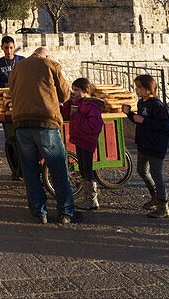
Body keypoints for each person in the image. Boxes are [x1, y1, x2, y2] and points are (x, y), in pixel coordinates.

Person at [8, 46, 74, 224]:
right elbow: (65, 95)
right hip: (46, 122)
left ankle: (39, 212)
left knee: (30, 170)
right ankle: (66, 212)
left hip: (21, 123)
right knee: (58, 169)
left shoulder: (17, 67)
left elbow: (11, 92)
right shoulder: (51, 64)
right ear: (47, 55)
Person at [123, 74, 169, 218]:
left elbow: (164, 126)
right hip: (143, 143)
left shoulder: (157, 105)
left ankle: (164, 206)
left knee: (157, 174)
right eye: (136, 87)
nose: (136, 90)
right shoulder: (141, 103)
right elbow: (139, 120)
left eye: (139, 87)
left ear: (148, 88)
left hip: (155, 145)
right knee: (141, 171)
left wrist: (143, 120)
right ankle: (154, 197)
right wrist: (129, 114)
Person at [61, 77, 105, 211]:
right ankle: (88, 198)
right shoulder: (79, 103)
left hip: (87, 141)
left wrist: (76, 116)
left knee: (87, 169)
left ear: (86, 90)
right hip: (79, 139)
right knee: (83, 169)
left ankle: (92, 199)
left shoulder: (92, 106)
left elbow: (93, 126)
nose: (74, 93)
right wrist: (68, 104)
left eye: (77, 90)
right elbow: (67, 115)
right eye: (73, 91)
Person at [0, 36, 26, 180]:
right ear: (2, 47)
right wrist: (3, 86)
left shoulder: (22, 61)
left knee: (23, 140)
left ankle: (25, 169)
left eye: (11, 48)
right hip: (6, 105)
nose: (9, 50)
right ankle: (15, 169)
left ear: (14, 47)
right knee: (10, 140)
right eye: (6, 48)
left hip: (21, 103)